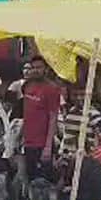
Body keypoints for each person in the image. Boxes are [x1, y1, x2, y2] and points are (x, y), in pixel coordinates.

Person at [19, 55, 62, 183]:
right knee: (30, 179)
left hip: (42, 144)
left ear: (46, 69)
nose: (35, 70)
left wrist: (48, 147)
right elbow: (26, 114)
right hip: (28, 143)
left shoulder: (52, 89)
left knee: (43, 182)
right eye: (33, 68)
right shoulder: (27, 86)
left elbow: (53, 118)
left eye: (39, 67)